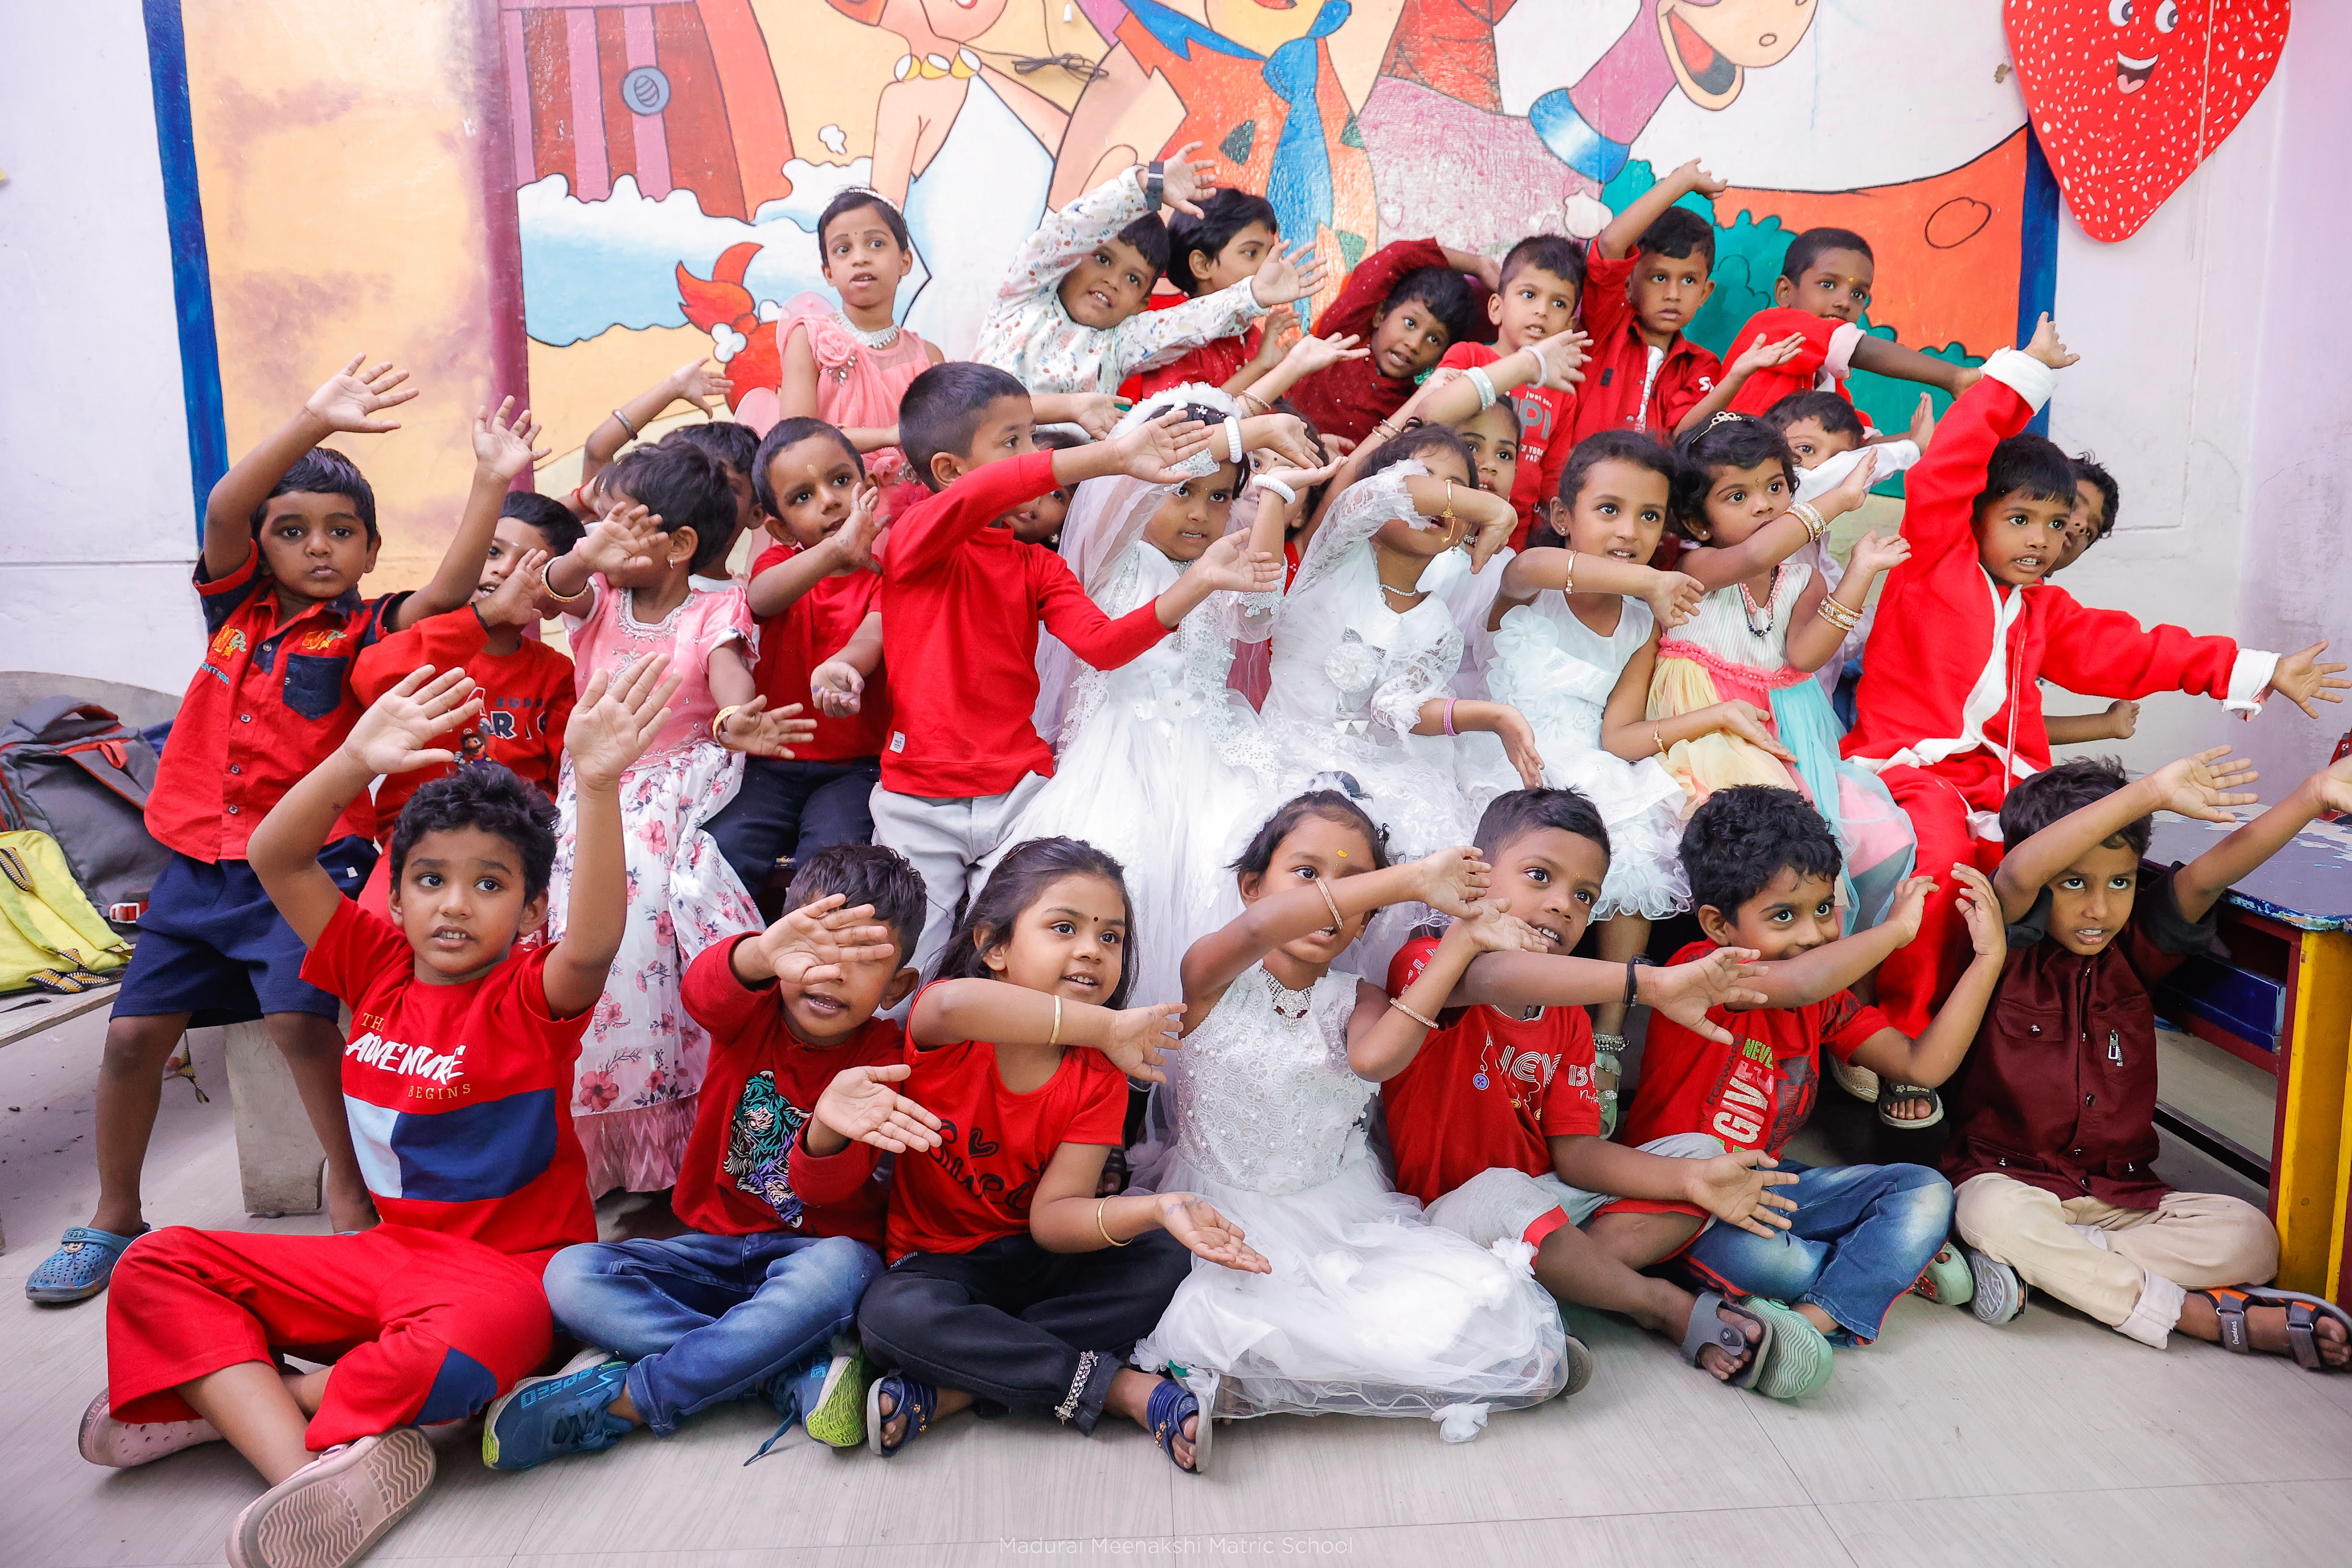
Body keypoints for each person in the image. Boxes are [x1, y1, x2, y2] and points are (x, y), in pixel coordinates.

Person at [78, 658, 666, 1568]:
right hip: (383, 1265)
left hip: (504, 1275)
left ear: (529, 909)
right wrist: (354, 756)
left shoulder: (530, 994)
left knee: (471, 1349)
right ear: (394, 898)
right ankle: (303, 1468)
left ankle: (225, 1397)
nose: (455, 904)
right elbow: (275, 853)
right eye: (430, 880)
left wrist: (595, 783)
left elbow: (593, 945)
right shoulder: (373, 963)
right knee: (157, 1264)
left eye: (489, 884)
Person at [27, 356, 502, 1304]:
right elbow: (225, 506)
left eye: (341, 533)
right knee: (130, 1041)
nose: (317, 548)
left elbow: (447, 592)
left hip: (303, 867)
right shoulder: (231, 608)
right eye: (293, 532)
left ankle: (352, 1201)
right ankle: (115, 1213)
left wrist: (490, 483)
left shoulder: (369, 630)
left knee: (299, 1021)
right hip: (197, 872)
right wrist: (311, 420)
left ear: (369, 552)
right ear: (264, 546)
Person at [1843, 316, 2346, 1042]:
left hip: (2007, 780)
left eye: (2057, 526)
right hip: (1911, 772)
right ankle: (1904, 1030)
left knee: (2076, 864)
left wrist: (2254, 667)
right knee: (1948, 867)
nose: (2041, 540)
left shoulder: (2045, 610)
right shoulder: (1930, 562)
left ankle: (2024, 1037)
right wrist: (2023, 373)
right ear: (1972, 516)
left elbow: (2135, 651)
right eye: (2019, 519)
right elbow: (1948, 463)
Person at [1133, 793, 1573, 1436]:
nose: (1329, 897)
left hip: (1335, 1211)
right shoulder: (1212, 974)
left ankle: (1279, 1371)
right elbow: (1259, 933)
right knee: (1221, 1312)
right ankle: (1239, 1373)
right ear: (1252, 888)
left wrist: (1461, 942)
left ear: (1365, 921)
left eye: (1353, 886)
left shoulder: (1355, 997)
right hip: (1220, 1209)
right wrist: (1409, 879)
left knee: (1446, 1298)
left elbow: (1374, 1061)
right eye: (1308, 874)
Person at [1380, 787, 1837, 1400]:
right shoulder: (1429, 965)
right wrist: (1643, 983)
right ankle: (1661, 1308)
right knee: (1502, 1192)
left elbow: (1576, 1154)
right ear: (1475, 877)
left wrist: (1692, 1181)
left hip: (1546, 1204)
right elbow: (1489, 975)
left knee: (1701, 1154)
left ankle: (1544, 1301)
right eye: (1539, 876)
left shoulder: (1568, 1014)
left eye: (1583, 896)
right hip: (1452, 1220)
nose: (1561, 905)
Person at [489, 846, 931, 1468]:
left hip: (811, 1260)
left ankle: (637, 1397)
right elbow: (703, 991)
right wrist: (760, 953)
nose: (828, 973)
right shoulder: (750, 1008)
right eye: (812, 950)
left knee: (843, 1267)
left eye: (860, 963)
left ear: (897, 986)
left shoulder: (884, 1055)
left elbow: (822, 1190)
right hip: (712, 1249)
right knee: (569, 1276)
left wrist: (828, 1126)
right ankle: (776, 1368)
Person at [854, 838, 1269, 1473]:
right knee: (888, 1317)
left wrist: (1160, 1208)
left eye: (1111, 937)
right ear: (994, 948)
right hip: (938, 1267)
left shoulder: (1097, 1078)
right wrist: (1106, 1027)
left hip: (1038, 1261)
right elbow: (949, 1001)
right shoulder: (950, 1023)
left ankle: (960, 1383)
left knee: (1165, 1258)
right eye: (1064, 927)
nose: (1090, 949)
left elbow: (1053, 1220)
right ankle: (1120, 1388)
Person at [864, 362, 1280, 974]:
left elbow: (1106, 646)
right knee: (904, 973)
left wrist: (1201, 582)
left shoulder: (1039, 567)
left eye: (1034, 437)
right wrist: (1110, 457)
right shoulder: (913, 543)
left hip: (1019, 796)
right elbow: (980, 496)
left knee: (1007, 971)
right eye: (1013, 443)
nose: (1034, 455)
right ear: (950, 471)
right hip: (920, 803)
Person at [1949, 749, 2351, 1370]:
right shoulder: (2002, 950)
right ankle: (2193, 1315)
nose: (2099, 909)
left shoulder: (2134, 954)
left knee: (2249, 1236)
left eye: (2120, 882)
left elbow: (2208, 875)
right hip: (2011, 1179)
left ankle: (2054, 1265)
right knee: (1987, 1212)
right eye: (2074, 883)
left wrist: (2313, 792)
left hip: (2120, 1197)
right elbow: (2022, 872)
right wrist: (2150, 794)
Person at [1608, 786, 2006, 1352]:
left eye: (1822, 909)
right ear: (1719, 925)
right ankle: (1874, 1269)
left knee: (1924, 1188)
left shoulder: (1822, 1000)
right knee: (1777, 1264)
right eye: (1782, 915)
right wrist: (1891, 933)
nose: (1812, 933)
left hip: (1768, 1186)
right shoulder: (1702, 972)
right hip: (1686, 1202)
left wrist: (1988, 960)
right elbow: (1799, 980)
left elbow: (1925, 1064)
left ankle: (1812, 1322)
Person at [533, 440, 819, 1192]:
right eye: (604, 525)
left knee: (655, 894)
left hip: (680, 782)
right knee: (585, 902)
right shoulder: (598, 596)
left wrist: (735, 721)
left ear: (680, 546)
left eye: (627, 528)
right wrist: (585, 549)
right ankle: (605, 1119)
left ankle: (690, 1124)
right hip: (600, 782)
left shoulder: (714, 609)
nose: (607, 541)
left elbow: (728, 680)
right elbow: (548, 592)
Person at [1005, 387, 1289, 1007]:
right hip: (1119, 754)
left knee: (1222, 881)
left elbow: (1260, 613)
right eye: (1181, 490)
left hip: (1210, 760)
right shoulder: (1116, 557)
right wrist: (1243, 433)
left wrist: (1277, 490)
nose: (1199, 513)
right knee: (1127, 881)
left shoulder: (1216, 569)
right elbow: (1124, 490)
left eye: (1219, 497)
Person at [1480, 433, 1706, 1116]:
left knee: (1640, 841)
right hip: (1508, 754)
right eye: (1608, 509)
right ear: (1560, 514)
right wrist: (1655, 578)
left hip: (1591, 758)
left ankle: (1607, 1032)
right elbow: (1546, 566)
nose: (1629, 531)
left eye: (1648, 517)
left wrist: (1709, 723)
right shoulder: (1531, 577)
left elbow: (1620, 734)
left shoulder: (1641, 622)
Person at [1642, 414, 1918, 947]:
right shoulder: (1697, 565)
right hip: (1711, 728)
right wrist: (1835, 501)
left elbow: (1804, 655)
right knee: (1770, 837)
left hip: (1786, 722)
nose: (1764, 505)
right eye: (1737, 496)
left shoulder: (1800, 577)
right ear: (1698, 523)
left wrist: (1859, 572)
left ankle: (1823, 963)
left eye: (1774, 487)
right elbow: (1753, 554)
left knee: (1870, 835)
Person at [1258, 426, 1538, 933]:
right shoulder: (1338, 550)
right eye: (1424, 476)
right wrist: (1494, 507)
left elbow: (1396, 709)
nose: (1439, 496)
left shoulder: (1439, 628)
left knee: (1411, 846)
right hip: (1291, 757)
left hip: (1385, 765)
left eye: (1456, 486)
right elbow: (1389, 493)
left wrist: (1494, 717)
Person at [349, 405, 576, 918]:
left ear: (556, 592)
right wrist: (483, 615)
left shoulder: (555, 673)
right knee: (373, 940)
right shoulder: (434, 638)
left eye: (529, 564)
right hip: (416, 846)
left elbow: (567, 782)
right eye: (493, 551)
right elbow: (369, 678)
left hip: (512, 852)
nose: (502, 570)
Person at [704, 419, 891, 895]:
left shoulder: (887, 572)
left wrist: (843, 667)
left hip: (856, 766)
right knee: (720, 854)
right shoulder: (776, 564)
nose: (828, 500)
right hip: (769, 762)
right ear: (778, 526)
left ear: (869, 488)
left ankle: (802, 964)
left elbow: (873, 635)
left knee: (830, 870)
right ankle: (726, 965)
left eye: (840, 481)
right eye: (802, 497)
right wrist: (835, 550)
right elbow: (762, 599)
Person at [972, 146, 1323, 397]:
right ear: (1072, 258)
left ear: (1142, 304)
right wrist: (1145, 186)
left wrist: (1254, 295)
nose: (1112, 280)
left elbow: (1187, 325)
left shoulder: (1121, 344)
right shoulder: (1025, 296)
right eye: (1103, 259)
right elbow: (1069, 230)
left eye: (1133, 279)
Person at [769, 188, 942, 506]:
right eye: (843, 249)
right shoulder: (809, 339)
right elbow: (795, 439)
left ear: (905, 261)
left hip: (918, 515)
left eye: (876, 244)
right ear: (829, 272)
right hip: (838, 514)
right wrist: (889, 436)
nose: (860, 257)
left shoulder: (928, 357)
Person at [1722, 226, 1981, 419]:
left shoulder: (1830, 382)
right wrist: (1954, 377)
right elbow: (1854, 347)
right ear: (1785, 292)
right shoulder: (1771, 328)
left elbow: (1855, 445)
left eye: (1858, 294)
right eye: (1828, 285)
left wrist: (1918, 441)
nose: (1845, 302)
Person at [1434, 232, 1586, 543]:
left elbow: (1553, 473)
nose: (1542, 311)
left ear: (1570, 328)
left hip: (1512, 534)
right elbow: (1432, 418)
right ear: (1496, 308)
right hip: (1447, 513)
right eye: (1529, 295)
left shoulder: (1562, 392)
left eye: (1558, 303)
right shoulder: (1469, 356)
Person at [1570, 160, 1732, 443]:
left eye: (1689, 281)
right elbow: (1610, 244)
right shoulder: (1605, 328)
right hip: (1584, 484)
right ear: (1628, 284)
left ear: (1705, 294)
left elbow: (1686, 435)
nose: (1673, 294)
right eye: (1659, 278)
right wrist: (1681, 181)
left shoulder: (1702, 366)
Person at [1286, 237, 1493, 445]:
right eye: (1410, 323)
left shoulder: (1414, 409)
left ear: (1439, 359)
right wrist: (1479, 265)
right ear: (1380, 314)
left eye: (1434, 339)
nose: (1414, 344)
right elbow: (1397, 255)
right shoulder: (1342, 334)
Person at [1132, 187, 1285, 400]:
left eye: (1271, 254)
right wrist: (1262, 366)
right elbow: (1187, 423)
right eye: (1252, 253)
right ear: (1202, 265)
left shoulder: (1252, 336)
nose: (1270, 266)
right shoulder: (1175, 344)